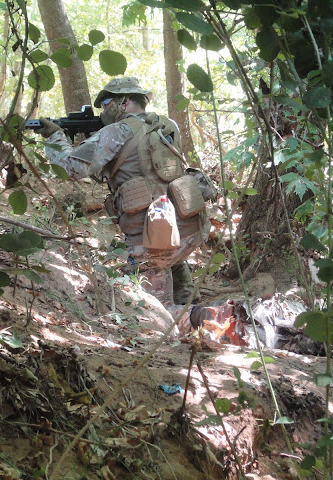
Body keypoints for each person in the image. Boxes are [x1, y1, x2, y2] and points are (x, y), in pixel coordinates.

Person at [35, 77, 210, 334]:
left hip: (154, 239)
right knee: (170, 266)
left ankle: (204, 317)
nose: (103, 110)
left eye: (106, 103)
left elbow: (69, 168)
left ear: (124, 101)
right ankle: (190, 307)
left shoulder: (117, 132)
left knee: (152, 313)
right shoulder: (166, 125)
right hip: (188, 228)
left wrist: (54, 136)